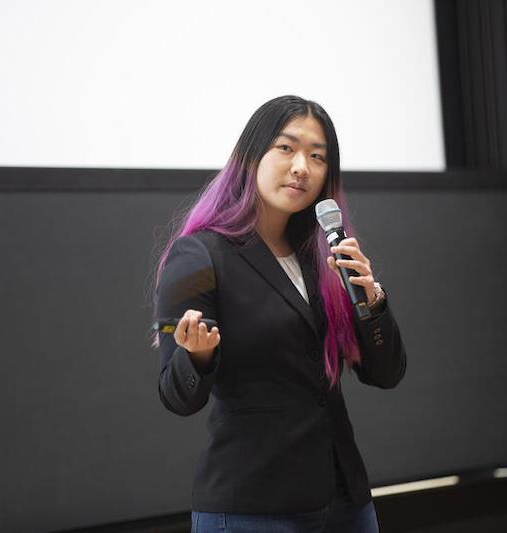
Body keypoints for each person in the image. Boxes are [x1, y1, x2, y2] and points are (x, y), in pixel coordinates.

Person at [153, 95, 406, 532]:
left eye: (317, 156)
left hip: (344, 500)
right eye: (286, 148)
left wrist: (372, 303)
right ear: (251, 155)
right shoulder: (199, 254)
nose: (302, 167)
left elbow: (386, 374)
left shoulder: (325, 257)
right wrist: (196, 356)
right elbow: (177, 395)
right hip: (254, 506)